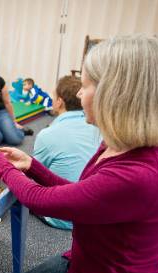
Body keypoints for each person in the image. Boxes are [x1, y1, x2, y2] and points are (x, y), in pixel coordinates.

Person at [0, 35, 158, 273]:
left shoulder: (144, 175)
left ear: (114, 95)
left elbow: (40, 200)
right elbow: (86, 193)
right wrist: (32, 166)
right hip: (85, 263)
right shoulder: (118, 142)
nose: (78, 93)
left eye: (85, 86)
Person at [32, 75, 101, 230]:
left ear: (59, 101)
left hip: (60, 217)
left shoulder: (47, 134)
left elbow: (33, 175)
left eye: (54, 95)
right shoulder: (101, 130)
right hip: (94, 214)